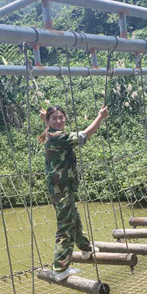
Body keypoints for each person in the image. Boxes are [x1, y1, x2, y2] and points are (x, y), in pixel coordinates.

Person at [38, 105, 109, 281]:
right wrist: (100, 117)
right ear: (48, 121)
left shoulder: (51, 133)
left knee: (73, 218)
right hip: (60, 188)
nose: (59, 120)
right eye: (54, 118)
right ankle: (60, 268)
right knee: (65, 226)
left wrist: (45, 118)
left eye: (61, 117)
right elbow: (84, 136)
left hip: (62, 187)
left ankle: (85, 249)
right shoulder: (57, 136)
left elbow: (52, 126)